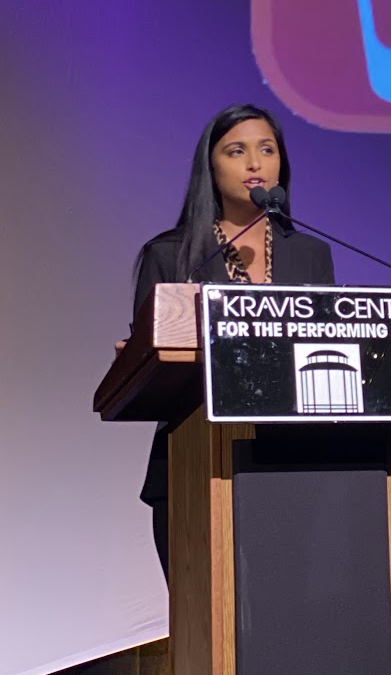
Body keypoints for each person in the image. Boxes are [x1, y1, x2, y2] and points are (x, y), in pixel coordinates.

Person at [134, 103, 334, 577]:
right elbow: (148, 367)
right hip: (194, 466)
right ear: (211, 167)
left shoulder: (312, 254)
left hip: (298, 466)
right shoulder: (171, 256)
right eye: (236, 150)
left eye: (267, 149)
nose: (254, 163)